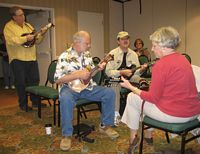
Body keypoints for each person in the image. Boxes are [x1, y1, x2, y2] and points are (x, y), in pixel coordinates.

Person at [120, 26, 200, 152]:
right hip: (194, 113)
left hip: (177, 115)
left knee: (132, 97)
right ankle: (148, 136)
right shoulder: (183, 59)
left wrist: (131, 87)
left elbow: (152, 98)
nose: (152, 49)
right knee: (143, 101)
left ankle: (133, 139)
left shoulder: (161, 65)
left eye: (154, 45)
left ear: (163, 46)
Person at [54, 31, 119, 151]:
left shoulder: (87, 55)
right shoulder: (64, 56)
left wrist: (98, 69)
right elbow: (58, 80)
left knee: (109, 93)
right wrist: (77, 75)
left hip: (87, 87)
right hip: (69, 88)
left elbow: (89, 75)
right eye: (87, 43)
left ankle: (105, 126)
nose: (89, 46)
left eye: (89, 44)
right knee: (65, 98)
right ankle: (67, 135)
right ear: (77, 42)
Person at [3, 6, 48, 111]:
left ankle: (36, 102)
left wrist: (41, 34)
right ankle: (23, 104)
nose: (23, 16)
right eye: (20, 15)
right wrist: (25, 38)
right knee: (21, 82)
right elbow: (11, 41)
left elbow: (36, 41)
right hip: (17, 59)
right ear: (14, 17)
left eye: (23, 14)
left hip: (31, 58)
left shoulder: (28, 26)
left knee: (34, 81)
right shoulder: (8, 27)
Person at [105, 31, 147, 125]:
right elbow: (108, 72)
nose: (125, 41)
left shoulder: (133, 54)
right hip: (116, 78)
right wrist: (121, 72)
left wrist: (142, 70)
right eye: (123, 39)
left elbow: (136, 73)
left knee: (142, 82)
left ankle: (141, 112)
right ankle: (116, 114)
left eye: (127, 39)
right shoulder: (112, 54)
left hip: (130, 77)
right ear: (118, 41)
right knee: (114, 85)